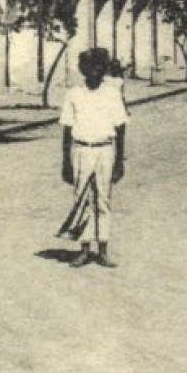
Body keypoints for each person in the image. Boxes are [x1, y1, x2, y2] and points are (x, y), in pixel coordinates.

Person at [58, 47, 128, 269]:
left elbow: (121, 127)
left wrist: (119, 161)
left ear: (104, 69)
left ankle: (103, 250)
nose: (94, 72)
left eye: (99, 68)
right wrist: (66, 162)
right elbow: (67, 130)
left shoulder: (112, 94)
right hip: (81, 151)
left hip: (105, 150)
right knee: (81, 199)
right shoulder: (74, 94)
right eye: (89, 68)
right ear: (83, 70)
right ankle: (84, 250)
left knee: (103, 199)